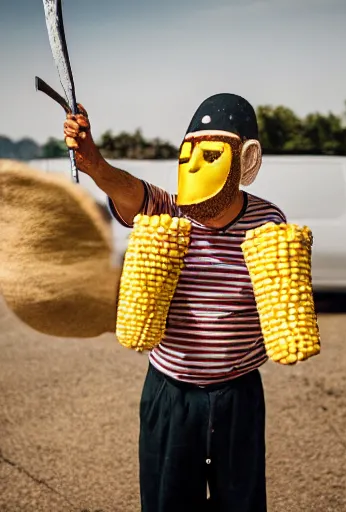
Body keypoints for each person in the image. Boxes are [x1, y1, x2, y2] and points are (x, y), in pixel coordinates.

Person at [63, 93, 287, 512]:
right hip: (171, 392)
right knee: (167, 502)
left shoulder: (269, 222)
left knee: (241, 502)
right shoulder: (165, 212)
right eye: (187, 158)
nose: (194, 169)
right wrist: (93, 163)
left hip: (239, 392)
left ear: (247, 161)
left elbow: (279, 303)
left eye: (210, 156)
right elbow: (128, 190)